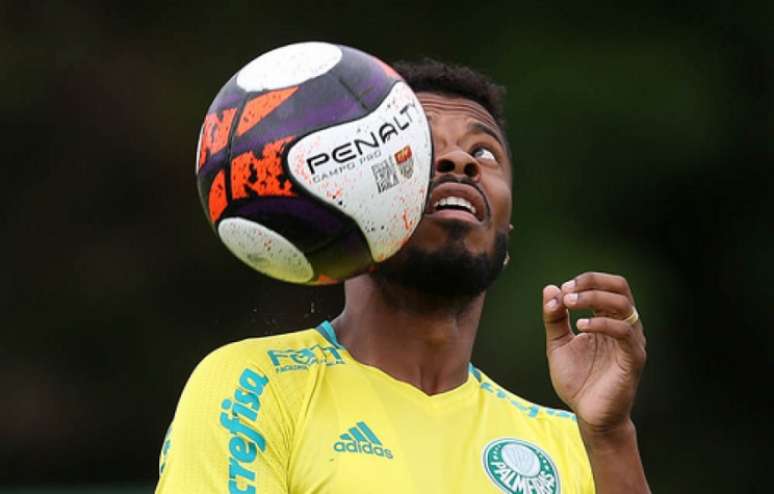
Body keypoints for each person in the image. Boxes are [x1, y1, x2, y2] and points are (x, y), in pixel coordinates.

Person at [156, 59, 650, 494]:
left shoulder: (570, 445)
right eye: (423, 144)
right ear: (346, 196)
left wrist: (611, 437)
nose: (460, 162)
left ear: (506, 231)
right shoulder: (251, 385)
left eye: (484, 153)